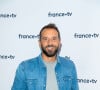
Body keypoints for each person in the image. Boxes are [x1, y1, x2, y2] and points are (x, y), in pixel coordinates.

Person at [11, 23, 79, 90]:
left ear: (59, 42)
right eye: (45, 39)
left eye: (54, 39)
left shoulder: (69, 66)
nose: (50, 43)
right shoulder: (24, 67)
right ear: (39, 43)